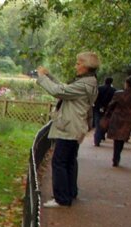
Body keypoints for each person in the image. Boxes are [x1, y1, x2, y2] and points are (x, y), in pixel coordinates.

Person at [35, 52, 100, 208]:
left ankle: (62, 198)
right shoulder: (88, 83)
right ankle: (70, 191)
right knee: (69, 161)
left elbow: (60, 92)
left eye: (78, 63)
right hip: (76, 126)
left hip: (70, 127)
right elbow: (66, 88)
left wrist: (42, 78)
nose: (75, 66)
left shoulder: (84, 85)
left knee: (59, 162)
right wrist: (50, 76)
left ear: (86, 66)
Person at [104, 75, 131, 168]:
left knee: (117, 138)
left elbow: (111, 105)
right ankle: (117, 155)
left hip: (117, 116)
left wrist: (107, 113)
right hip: (128, 118)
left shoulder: (118, 93)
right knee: (123, 137)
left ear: (126, 83)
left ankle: (115, 157)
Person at [93, 77, 115, 146]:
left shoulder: (99, 88)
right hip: (108, 110)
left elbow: (95, 98)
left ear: (104, 81)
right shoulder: (114, 90)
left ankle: (97, 140)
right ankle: (102, 135)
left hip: (98, 108)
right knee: (105, 123)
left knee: (98, 124)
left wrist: (98, 106)